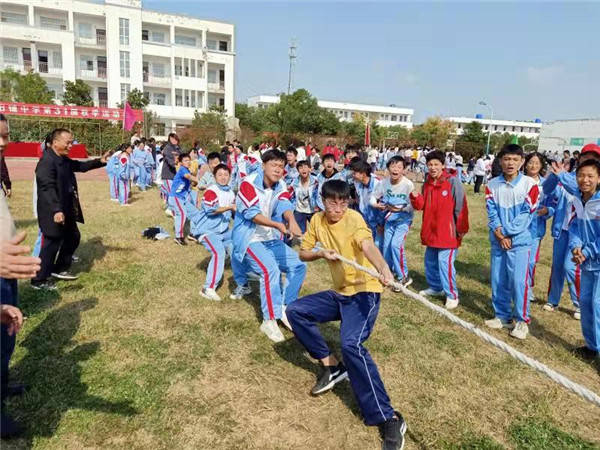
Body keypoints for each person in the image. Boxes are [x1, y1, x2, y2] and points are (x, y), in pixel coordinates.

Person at [286, 179, 407, 450]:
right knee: (295, 311)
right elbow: (304, 252)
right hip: (340, 293)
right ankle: (332, 366)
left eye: (343, 203)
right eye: (332, 203)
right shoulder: (316, 220)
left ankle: (389, 417)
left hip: (365, 292)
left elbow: (367, 246)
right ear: (323, 201)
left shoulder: (354, 219)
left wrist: (384, 269)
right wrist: (321, 254)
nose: (338, 209)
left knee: (351, 344)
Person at [231, 149, 306, 343]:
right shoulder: (248, 183)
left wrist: (292, 221)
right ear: (263, 165)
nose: (278, 169)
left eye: (281, 166)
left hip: (270, 237)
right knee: (269, 270)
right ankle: (269, 319)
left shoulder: (280, 184)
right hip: (250, 238)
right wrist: (277, 225)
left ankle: (286, 307)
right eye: (274, 165)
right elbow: (252, 214)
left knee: (298, 265)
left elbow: (283, 205)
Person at [0, 113, 41, 438]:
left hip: (6, 270)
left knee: (6, 336)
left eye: (6, 135)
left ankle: (2, 385)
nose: (4, 142)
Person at [31, 128, 109, 290]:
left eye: (71, 142)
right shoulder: (47, 162)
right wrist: (56, 210)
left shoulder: (63, 159)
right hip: (53, 212)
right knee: (50, 244)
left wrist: (99, 161)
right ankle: (38, 280)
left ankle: (59, 269)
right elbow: (47, 188)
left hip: (66, 209)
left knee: (73, 236)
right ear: (55, 142)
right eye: (67, 142)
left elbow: (80, 166)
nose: (70, 145)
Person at [484, 144, 539, 340]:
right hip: (498, 241)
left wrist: (507, 233)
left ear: (522, 162)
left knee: (518, 282)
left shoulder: (530, 185)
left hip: (520, 242)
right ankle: (502, 316)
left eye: (515, 159)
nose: (510, 163)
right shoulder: (491, 185)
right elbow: (491, 212)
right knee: (498, 280)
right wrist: (499, 234)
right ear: (500, 161)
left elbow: (526, 214)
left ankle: (522, 321)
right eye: (507, 159)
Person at [410, 150, 469, 310]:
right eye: (430, 164)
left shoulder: (452, 181)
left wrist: (461, 228)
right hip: (431, 230)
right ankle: (436, 287)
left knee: (445, 263)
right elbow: (421, 206)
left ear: (443, 165)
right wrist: (415, 197)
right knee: (430, 261)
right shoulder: (427, 182)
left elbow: (460, 206)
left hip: (447, 232)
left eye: (436, 164)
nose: (433, 167)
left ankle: (452, 294)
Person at [187, 164, 236, 301]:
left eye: (226, 175)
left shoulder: (230, 192)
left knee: (238, 244)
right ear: (214, 177)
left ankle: (245, 278)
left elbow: (233, 212)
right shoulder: (211, 191)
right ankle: (208, 288)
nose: (223, 177)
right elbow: (211, 210)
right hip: (207, 231)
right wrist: (230, 207)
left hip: (224, 231)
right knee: (218, 252)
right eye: (220, 175)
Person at [569, 159, 600, 362]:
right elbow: (574, 228)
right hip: (587, 264)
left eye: (590, 176)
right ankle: (592, 346)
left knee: (597, 305)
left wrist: (587, 250)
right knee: (586, 303)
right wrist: (576, 246)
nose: (585, 180)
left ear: (598, 178)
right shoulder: (577, 200)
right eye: (581, 175)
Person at [370, 156, 414, 288]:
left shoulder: (408, 184)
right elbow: (373, 196)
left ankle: (403, 277)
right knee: (387, 246)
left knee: (396, 245)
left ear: (404, 170)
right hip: (389, 220)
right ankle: (387, 274)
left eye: (399, 167)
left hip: (403, 220)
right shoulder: (384, 183)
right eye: (393, 166)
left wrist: (400, 208)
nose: (395, 170)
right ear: (388, 168)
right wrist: (376, 204)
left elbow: (413, 206)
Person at [522, 152, 551, 302]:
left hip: (536, 228)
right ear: (525, 163)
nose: (533, 166)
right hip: (519, 227)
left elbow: (553, 203)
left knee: (531, 261)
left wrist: (548, 210)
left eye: (537, 163)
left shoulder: (546, 184)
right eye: (530, 162)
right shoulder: (519, 181)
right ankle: (515, 285)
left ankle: (528, 287)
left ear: (541, 166)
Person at [349, 158, 383, 246]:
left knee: (377, 249)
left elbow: (383, 206)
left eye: (354, 173)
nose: (352, 175)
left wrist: (381, 223)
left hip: (377, 225)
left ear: (363, 174)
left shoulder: (378, 184)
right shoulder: (359, 184)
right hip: (365, 222)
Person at [170, 153, 200, 245]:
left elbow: (189, 183)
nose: (188, 162)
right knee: (182, 213)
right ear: (181, 163)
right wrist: (199, 181)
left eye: (188, 160)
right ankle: (178, 237)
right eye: (185, 161)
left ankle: (193, 233)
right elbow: (188, 177)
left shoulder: (187, 170)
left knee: (195, 213)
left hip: (183, 198)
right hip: (175, 197)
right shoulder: (182, 170)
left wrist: (195, 184)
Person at [290, 160, 318, 233]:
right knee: (300, 232)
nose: (303, 169)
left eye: (305, 167)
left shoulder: (316, 181)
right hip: (299, 210)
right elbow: (291, 196)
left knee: (316, 231)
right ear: (298, 170)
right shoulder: (294, 183)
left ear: (310, 169)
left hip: (312, 210)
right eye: (301, 168)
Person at [160, 133, 181, 216]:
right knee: (172, 192)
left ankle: (170, 207)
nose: (174, 140)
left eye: (175, 139)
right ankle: (170, 209)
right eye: (172, 139)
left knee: (174, 191)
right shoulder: (167, 148)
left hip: (176, 174)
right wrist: (176, 163)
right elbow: (170, 162)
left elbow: (182, 157)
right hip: (168, 174)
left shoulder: (178, 148)